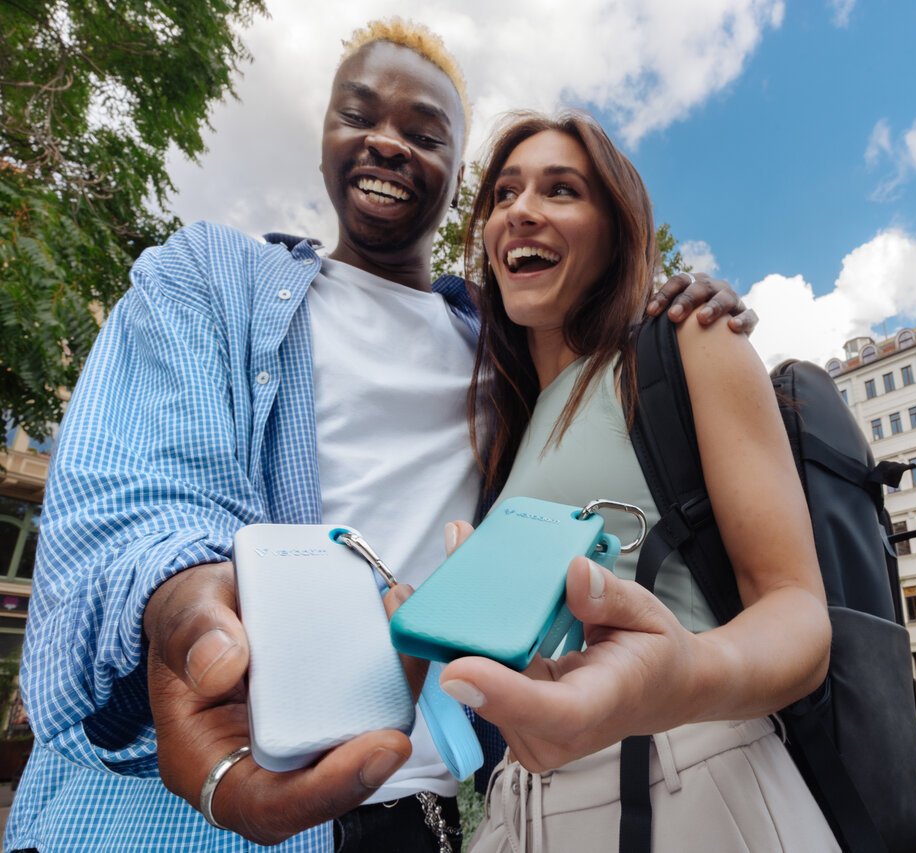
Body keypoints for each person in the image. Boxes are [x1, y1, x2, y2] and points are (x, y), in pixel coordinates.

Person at [5, 21, 754, 853]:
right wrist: (183, 602)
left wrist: (674, 299)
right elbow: (134, 491)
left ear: (455, 172)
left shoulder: (499, 346)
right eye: (359, 115)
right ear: (327, 133)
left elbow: (595, 361)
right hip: (180, 813)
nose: (388, 143)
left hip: (428, 810)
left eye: (425, 133)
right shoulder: (210, 279)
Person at [435, 111, 838, 851]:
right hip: (517, 807)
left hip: (691, 786)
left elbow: (801, 619)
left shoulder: (689, 340)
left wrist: (682, 673)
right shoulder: (507, 423)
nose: (520, 209)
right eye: (504, 195)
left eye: (561, 191)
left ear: (616, 232)